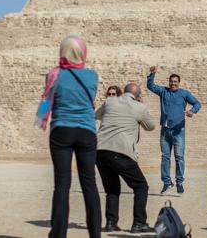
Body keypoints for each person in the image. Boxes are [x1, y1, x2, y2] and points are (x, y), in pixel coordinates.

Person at [36, 35, 101, 238]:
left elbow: (47, 101)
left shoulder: (54, 75)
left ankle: (58, 234)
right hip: (87, 132)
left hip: (61, 130)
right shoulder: (93, 76)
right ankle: (95, 234)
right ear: (82, 52)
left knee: (62, 184)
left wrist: (41, 119)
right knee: (89, 183)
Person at [96, 83, 155, 233]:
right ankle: (139, 223)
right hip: (121, 152)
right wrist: (140, 110)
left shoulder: (109, 101)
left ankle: (110, 223)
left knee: (112, 189)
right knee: (141, 186)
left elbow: (97, 115)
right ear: (138, 95)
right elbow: (150, 126)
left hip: (100, 151)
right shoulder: (139, 107)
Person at [147, 66, 201, 195]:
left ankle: (179, 182)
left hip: (178, 131)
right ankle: (166, 182)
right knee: (165, 157)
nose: (173, 83)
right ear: (169, 82)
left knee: (179, 157)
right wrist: (152, 74)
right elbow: (150, 86)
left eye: (175, 81)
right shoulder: (163, 91)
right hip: (165, 130)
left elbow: (197, 104)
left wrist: (192, 111)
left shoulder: (184, 93)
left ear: (179, 83)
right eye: (171, 81)